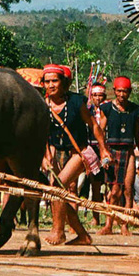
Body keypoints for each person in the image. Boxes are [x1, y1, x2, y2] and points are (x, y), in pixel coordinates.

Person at [41, 64, 111, 246]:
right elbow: (43, 134)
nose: (51, 85)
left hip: (80, 153)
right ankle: (83, 235)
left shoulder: (75, 102)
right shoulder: (43, 105)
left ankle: (58, 231)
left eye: (54, 81)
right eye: (47, 82)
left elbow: (94, 126)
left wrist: (103, 149)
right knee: (59, 194)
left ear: (63, 82)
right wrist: (46, 156)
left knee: (56, 188)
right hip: (57, 153)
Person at [97, 76, 139, 236]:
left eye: (125, 91)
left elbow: (138, 135)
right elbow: (100, 132)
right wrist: (103, 152)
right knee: (114, 190)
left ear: (129, 92)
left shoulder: (135, 110)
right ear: (114, 91)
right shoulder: (107, 109)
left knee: (128, 190)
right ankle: (109, 224)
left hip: (129, 151)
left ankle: (125, 224)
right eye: (119, 91)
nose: (122, 95)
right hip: (112, 151)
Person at [86, 83, 108, 227]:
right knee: (94, 185)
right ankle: (96, 217)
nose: (98, 98)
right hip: (91, 148)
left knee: (111, 188)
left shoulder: (110, 110)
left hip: (107, 149)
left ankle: (111, 220)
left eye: (100, 95)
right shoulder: (87, 112)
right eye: (95, 95)